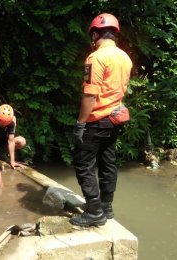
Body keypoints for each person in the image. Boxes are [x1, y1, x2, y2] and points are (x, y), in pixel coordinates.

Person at [70, 13, 133, 227]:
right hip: (115, 119)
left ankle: (95, 211)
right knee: (108, 161)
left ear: (95, 34)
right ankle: (107, 206)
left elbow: (90, 94)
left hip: (97, 119)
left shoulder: (96, 58)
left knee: (83, 162)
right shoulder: (125, 57)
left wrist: (80, 124)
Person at [0, 104, 27, 169]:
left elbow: (11, 141)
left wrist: (12, 161)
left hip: (3, 143)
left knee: (22, 141)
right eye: (1, 122)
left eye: (5, 123)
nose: (3, 125)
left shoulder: (12, 121)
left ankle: (2, 153)